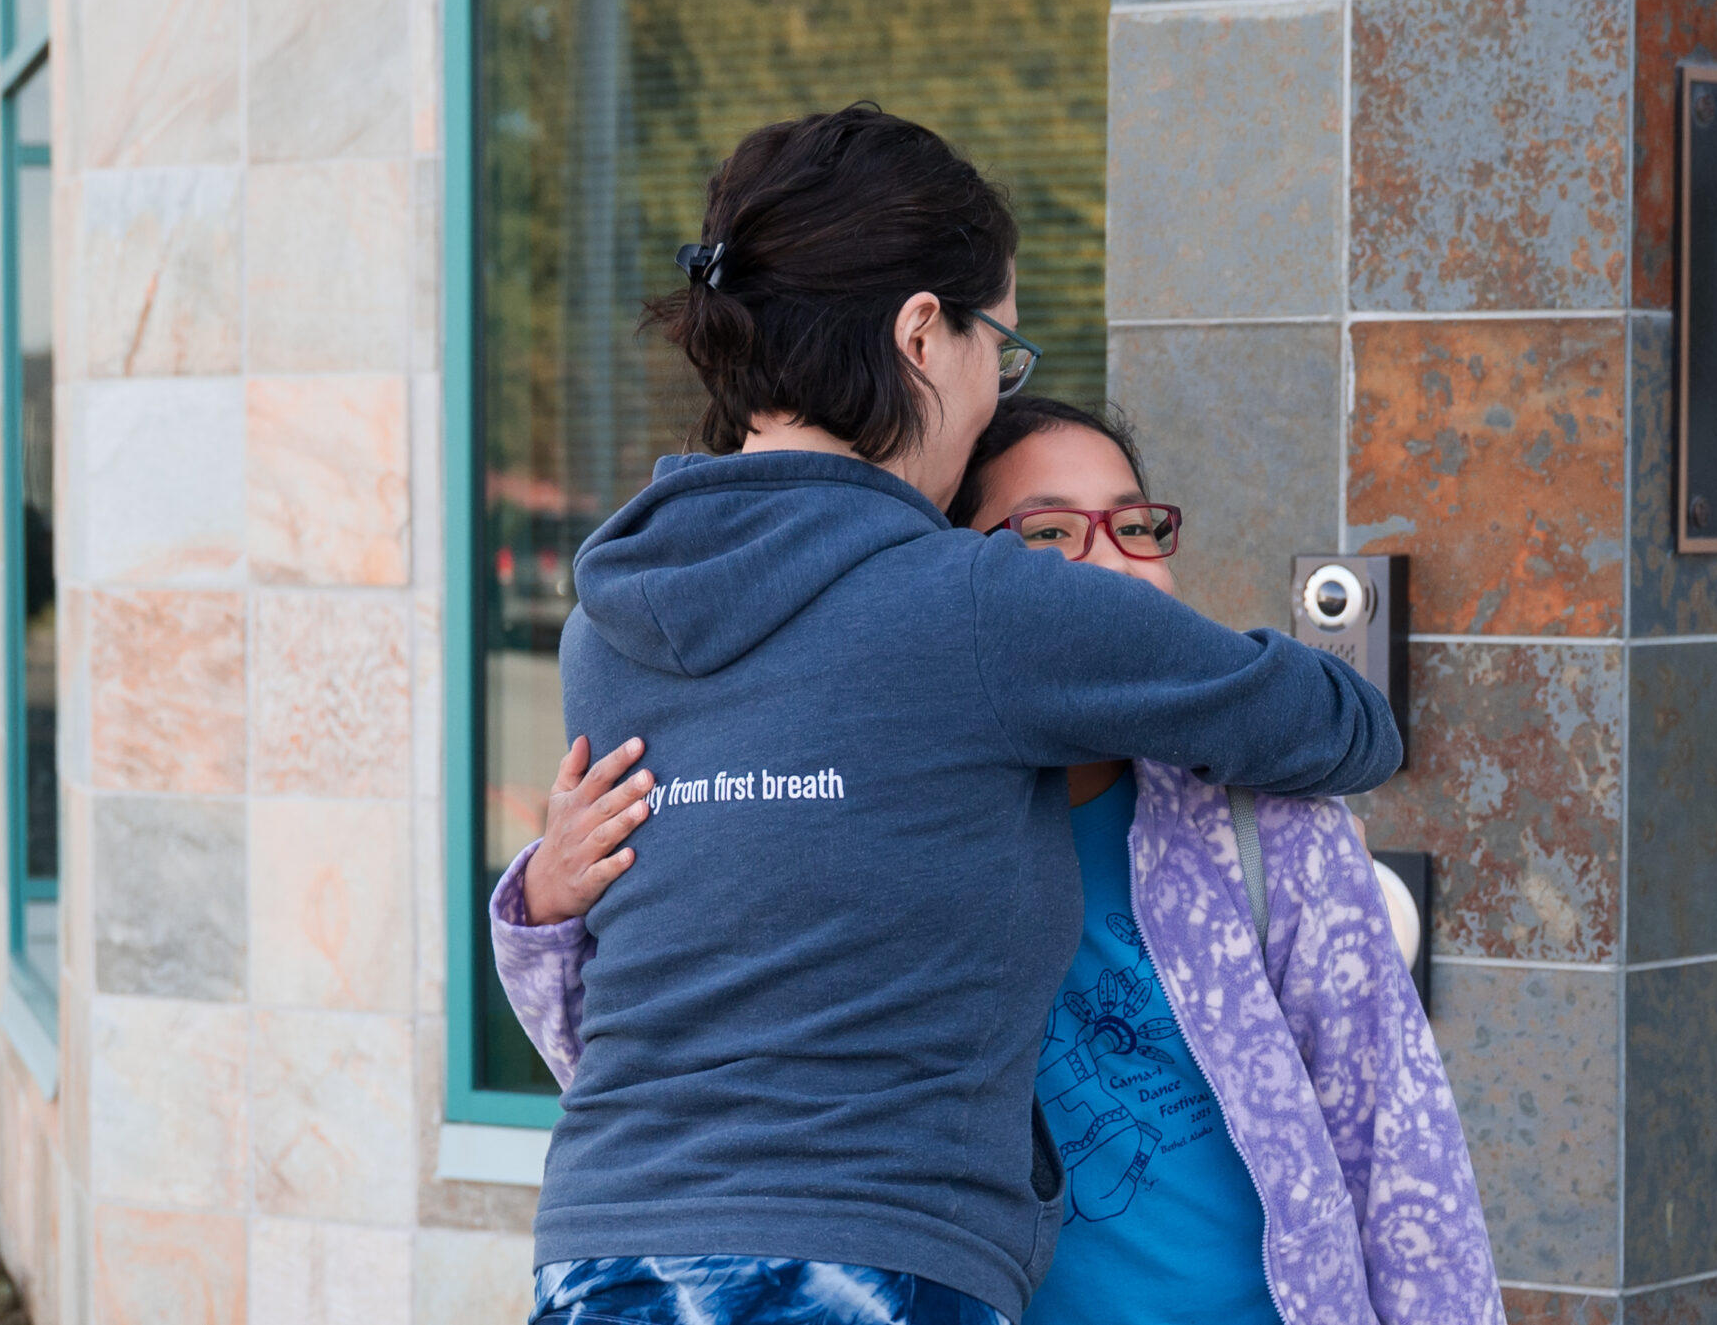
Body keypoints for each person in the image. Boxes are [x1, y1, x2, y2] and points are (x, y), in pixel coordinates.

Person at [497, 104, 1403, 1325]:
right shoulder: (981, 606)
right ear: (924, 332)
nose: (992, 396)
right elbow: (1339, 724)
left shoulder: (610, 623)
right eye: (1001, 353)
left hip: (602, 1252)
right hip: (857, 1263)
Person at [501, 397, 1506, 1325]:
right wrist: (547, 904)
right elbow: (655, 1075)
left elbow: (1397, 1148)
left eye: (1136, 524)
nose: (1108, 568)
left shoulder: (1263, 829)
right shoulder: (863, 820)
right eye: (1047, 537)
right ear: (957, 582)